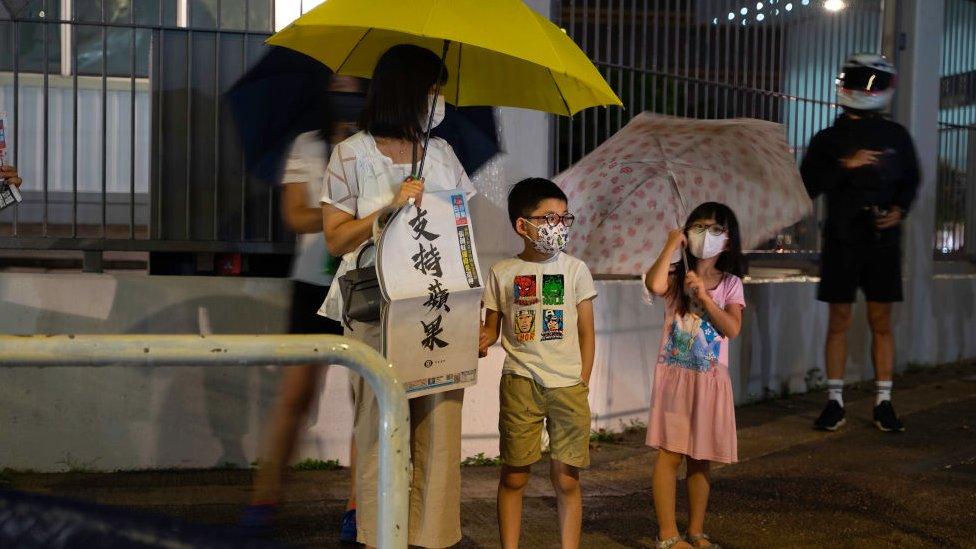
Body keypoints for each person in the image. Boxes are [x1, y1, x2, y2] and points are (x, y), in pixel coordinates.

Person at [319, 44, 475, 549]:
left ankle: (431, 538)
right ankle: (380, 535)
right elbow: (336, 239)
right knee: (379, 426)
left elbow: (461, 235)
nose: (439, 101)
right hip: (374, 309)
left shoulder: (445, 156)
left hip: (439, 305)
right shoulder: (352, 154)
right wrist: (386, 210)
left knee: (439, 428)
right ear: (409, 91)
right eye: (433, 90)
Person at [242, 75, 364, 542]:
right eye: (337, 86)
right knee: (294, 396)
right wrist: (345, 217)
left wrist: (342, 217)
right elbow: (295, 215)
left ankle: (357, 505)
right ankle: (265, 497)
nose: (345, 95)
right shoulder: (306, 146)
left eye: (355, 88)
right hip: (311, 285)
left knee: (366, 399)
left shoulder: (375, 149)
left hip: (361, 284)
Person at [801, 53, 920, 433]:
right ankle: (834, 401)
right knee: (838, 320)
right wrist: (845, 165)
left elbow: (911, 180)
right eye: (857, 79)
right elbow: (808, 184)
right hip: (842, 238)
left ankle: (884, 401)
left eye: (871, 80)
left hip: (883, 240)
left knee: (880, 321)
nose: (863, 87)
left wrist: (899, 209)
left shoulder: (896, 136)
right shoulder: (828, 139)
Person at [479, 177, 598, 549]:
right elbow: (491, 331)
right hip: (520, 382)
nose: (558, 226)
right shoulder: (501, 272)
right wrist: (473, 341)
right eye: (549, 218)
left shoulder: (576, 269)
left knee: (567, 479)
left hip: (568, 387)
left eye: (564, 218)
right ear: (522, 225)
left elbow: (587, 333)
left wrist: (583, 380)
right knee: (515, 475)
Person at [643, 202, 746, 549]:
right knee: (669, 455)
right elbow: (654, 283)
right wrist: (671, 245)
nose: (706, 235)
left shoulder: (731, 284)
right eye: (698, 227)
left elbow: (731, 328)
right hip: (676, 377)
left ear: (728, 242)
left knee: (701, 460)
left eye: (715, 229)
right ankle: (668, 534)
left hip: (710, 380)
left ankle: (696, 531)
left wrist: (704, 296)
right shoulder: (675, 277)